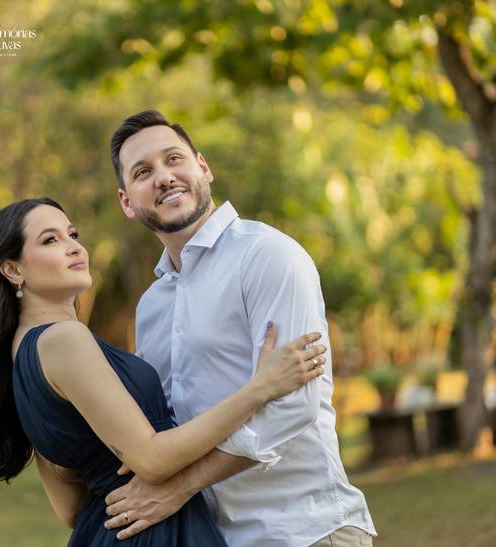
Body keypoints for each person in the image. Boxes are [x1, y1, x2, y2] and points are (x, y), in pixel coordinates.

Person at [0, 197, 328, 546]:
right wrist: (260, 388)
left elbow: (68, 508)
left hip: (111, 529)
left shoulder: (19, 356)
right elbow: (151, 459)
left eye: (73, 234)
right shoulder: (64, 339)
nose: (73, 246)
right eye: (50, 240)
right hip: (154, 531)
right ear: (13, 269)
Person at [102, 110, 377, 546]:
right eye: (143, 172)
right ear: (126, 202)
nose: (164, 177)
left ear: (203, 167)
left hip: (304, 531)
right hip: (210, 537)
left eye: (174, 159)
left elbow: (292, 408)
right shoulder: (151, 306)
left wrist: (178, 488)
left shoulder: (268, 256)